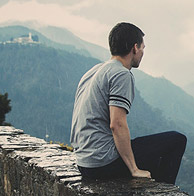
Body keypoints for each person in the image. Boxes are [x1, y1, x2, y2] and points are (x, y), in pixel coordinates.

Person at [70, 22, 186, 184]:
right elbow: (117, 124)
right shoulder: (121, 74)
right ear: (135, 48)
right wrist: (134, 169)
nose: (143, 53)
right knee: (177, 140)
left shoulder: (94, 71)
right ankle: (163, 192)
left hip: (84, 162)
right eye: (143, 48)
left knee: (148, 151)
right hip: (102, 163)